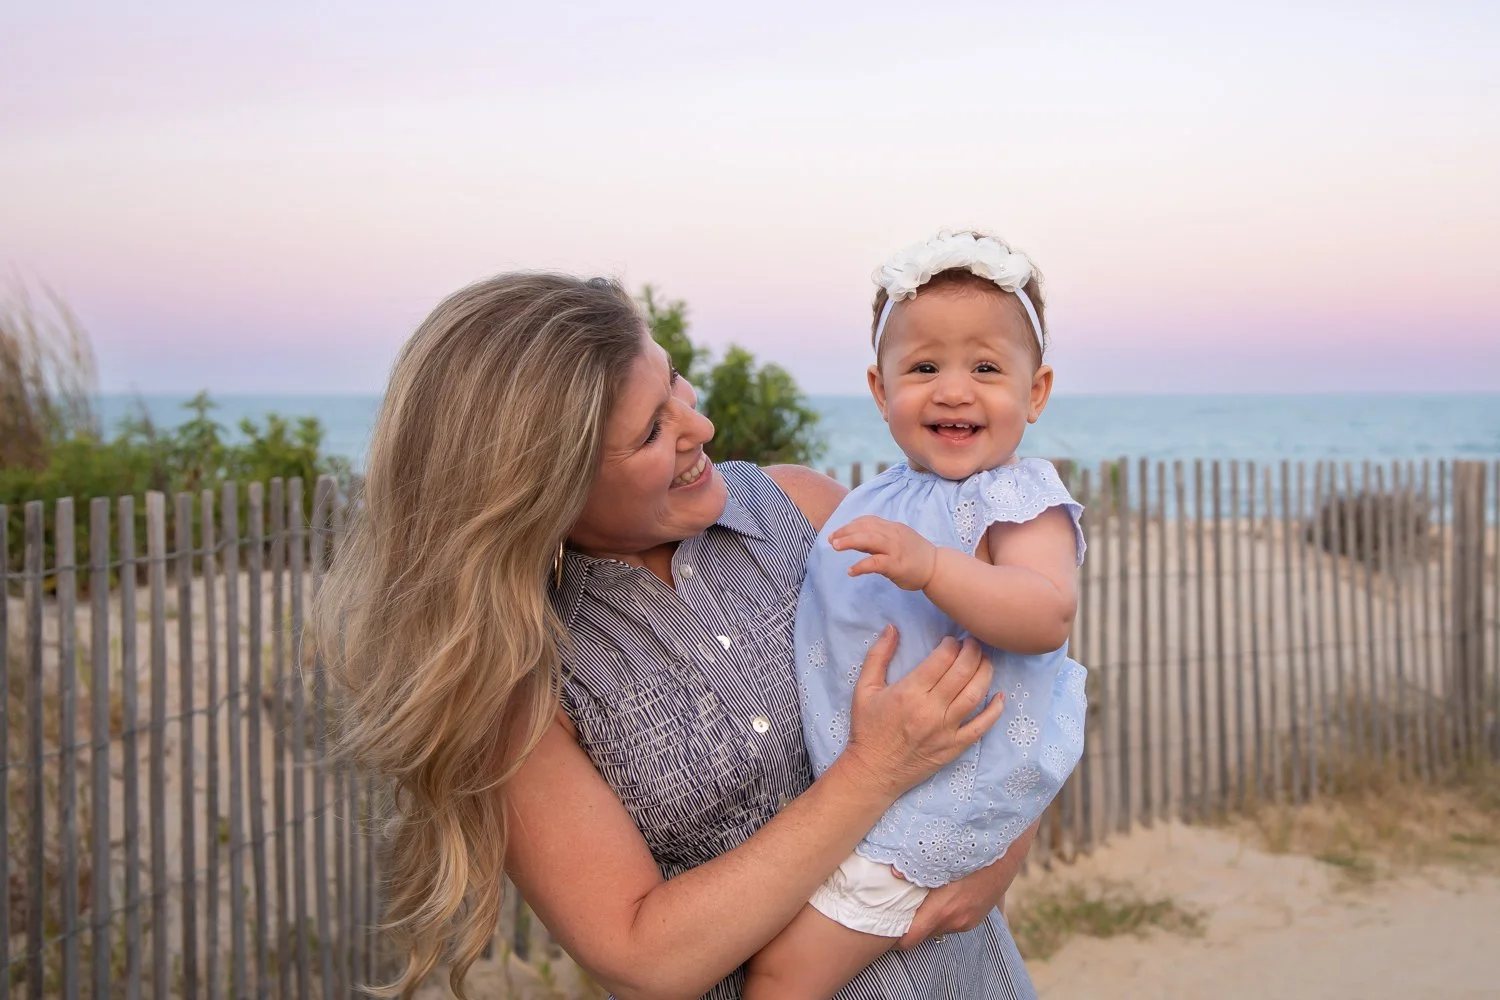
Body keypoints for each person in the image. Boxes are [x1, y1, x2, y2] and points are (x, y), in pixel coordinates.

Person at [315, 271, 1043, 1000]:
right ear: (547, 485)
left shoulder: (807, 510)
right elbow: (642, 958)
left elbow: (1014, 677)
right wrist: (873, 770)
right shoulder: (524, 684)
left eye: (674, 385)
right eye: (651, 432)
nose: (700, 428)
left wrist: (1001, 856)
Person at [743, 232, 1088, 999]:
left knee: (781, 978)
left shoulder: (1019, 501)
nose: (954, 390)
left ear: (1036, 392)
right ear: (879, 388)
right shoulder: (877, 498)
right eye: (924, 367)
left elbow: (1045, 614)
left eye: (987, 368)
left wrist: (933, 567)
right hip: (866, 795)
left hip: (936, 802)